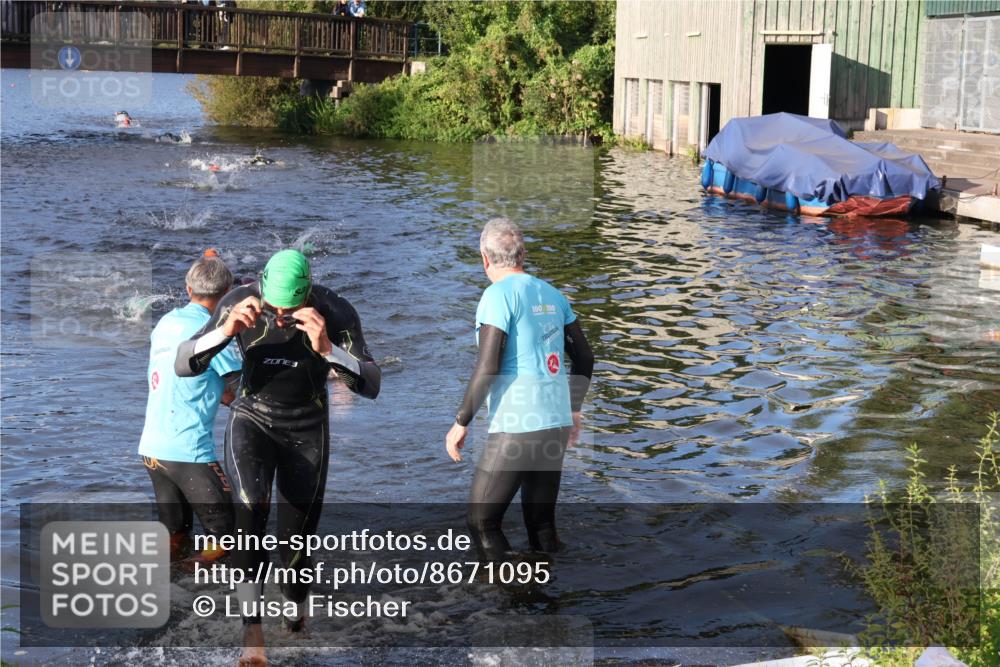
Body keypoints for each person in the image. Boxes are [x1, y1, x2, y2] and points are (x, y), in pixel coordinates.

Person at [175, 249, 381, 667]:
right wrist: (224, 331)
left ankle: (295, 616)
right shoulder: (239, 302)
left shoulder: (336, 311)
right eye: (274, 309)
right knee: (249, 513)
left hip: (307, 429)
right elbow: (184, 364)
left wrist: (328, 350)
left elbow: (371, 384)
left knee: (296, 542)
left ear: (307, 293)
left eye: (290, 312)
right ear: (263, 288)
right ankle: (251, 629)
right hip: (252, 419)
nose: (280, 317)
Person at [445, 218, 594, 561]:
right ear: (522, 255)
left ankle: (513, 598)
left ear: (484, 258)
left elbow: (488, 365)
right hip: (555, 422)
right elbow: (585, 358)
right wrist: (572, 410)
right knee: (541, 523)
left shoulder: (496, 296)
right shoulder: (554, 295)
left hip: (517, 424)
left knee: (482, 521)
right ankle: (549, 599)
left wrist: (461, 421)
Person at [139, 251, 241, 562]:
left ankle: (166, 585)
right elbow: (238, 394)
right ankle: (188, 576)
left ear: (188, 290)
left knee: (176, 533)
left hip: (152, 449)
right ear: (228, 294)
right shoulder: (214, 333)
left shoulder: (167, 323)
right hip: (189, 452)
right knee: (230, 539)